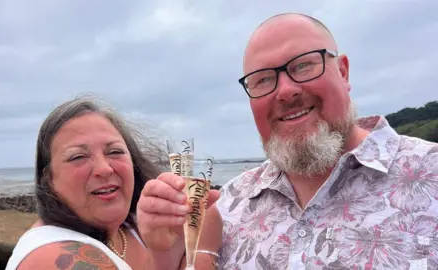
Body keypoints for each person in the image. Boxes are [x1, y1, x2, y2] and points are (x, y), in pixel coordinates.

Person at [140, 12, 438, 269]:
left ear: (343, 72)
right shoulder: (228, 205)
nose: (285, 90)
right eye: (263, 79)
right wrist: (166, 252)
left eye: (304, 65)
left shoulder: (430, 176)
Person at [5, 96, 221, 270]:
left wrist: (165, 251)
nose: (105, 168)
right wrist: (205, 250)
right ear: (49, 179)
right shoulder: (55, 255)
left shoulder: (134, 228)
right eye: (77, 157)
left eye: (115, 152)